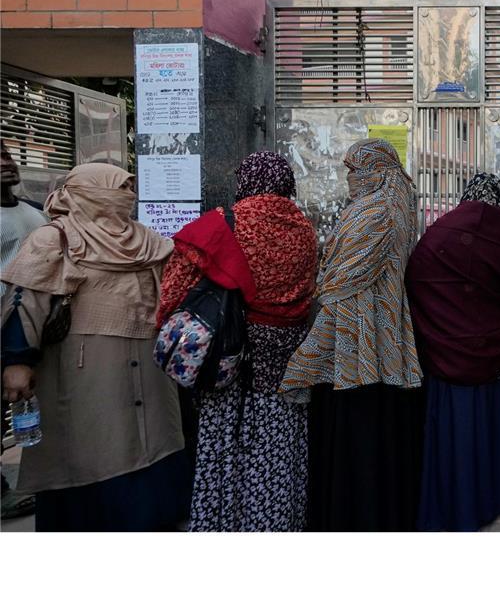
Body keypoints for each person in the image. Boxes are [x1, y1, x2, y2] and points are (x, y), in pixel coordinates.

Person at [0, 163, 189, 531]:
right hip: (82, 376)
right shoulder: (53, 240)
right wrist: (16, 362)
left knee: (151, 454)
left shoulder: (144, 239)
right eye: (117, 188)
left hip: (149, 374)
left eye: (129, 188)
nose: (127, 194)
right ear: (88, 193)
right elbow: (26, 304)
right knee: (92, 459)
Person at [157, 152, 317, 531]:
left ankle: (224, 524)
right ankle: (275, 522)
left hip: (228, 356)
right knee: (278, 447)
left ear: (244, 179)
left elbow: (173, 293)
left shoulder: (222, 225)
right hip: (283, 362)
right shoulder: (305, 231)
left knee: (224, 444)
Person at [278, 139, 424, 531]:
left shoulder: (377, 211)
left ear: (375, 172)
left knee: (357, 432)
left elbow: (341, 281)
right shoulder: (392, 204)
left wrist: (308, 352)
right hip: (381, 330)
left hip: (359, 333)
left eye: (355, 170)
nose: (349, 179)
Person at [408, 173, 500, 531]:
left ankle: (454, 503)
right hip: (491, 354)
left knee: (455, 437)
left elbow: (417, 278)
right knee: (489, 434)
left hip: (446, 352)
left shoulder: (439, 232)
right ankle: (495, 496)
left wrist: (438, 324)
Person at [1, 142, 47, 520]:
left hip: (28, 327)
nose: (5, 163)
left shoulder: (33, 211)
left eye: (5, 154)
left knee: (19, 403)